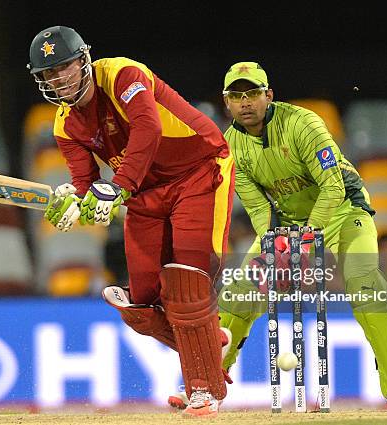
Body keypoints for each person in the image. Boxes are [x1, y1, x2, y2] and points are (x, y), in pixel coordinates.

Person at [27, 26, 235, 417]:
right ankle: (208, 341)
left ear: (84, 60)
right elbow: (86, 183)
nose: (59, 78)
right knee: (139, 304)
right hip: (143, 192)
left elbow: (148, 127)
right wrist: (74, 201)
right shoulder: (65, 124)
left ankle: (203, 393)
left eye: (65, 66)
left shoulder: (122, 74)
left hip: (200, 170)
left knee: (188, 279)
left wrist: (118, 187)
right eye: (49, 73)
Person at [213, 62, 387, 411]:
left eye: (253, 93)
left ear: (269, 95)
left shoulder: (303, 124)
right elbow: (257, 206)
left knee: (365, 283)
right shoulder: (230, 144)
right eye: (236, 95)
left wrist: (313, 231)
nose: (245, 102)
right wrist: (273, 241)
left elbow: (333, 184)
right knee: (241, 290)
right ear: (226, 102)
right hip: (288, 222)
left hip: (343, 211)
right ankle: (207, 385)